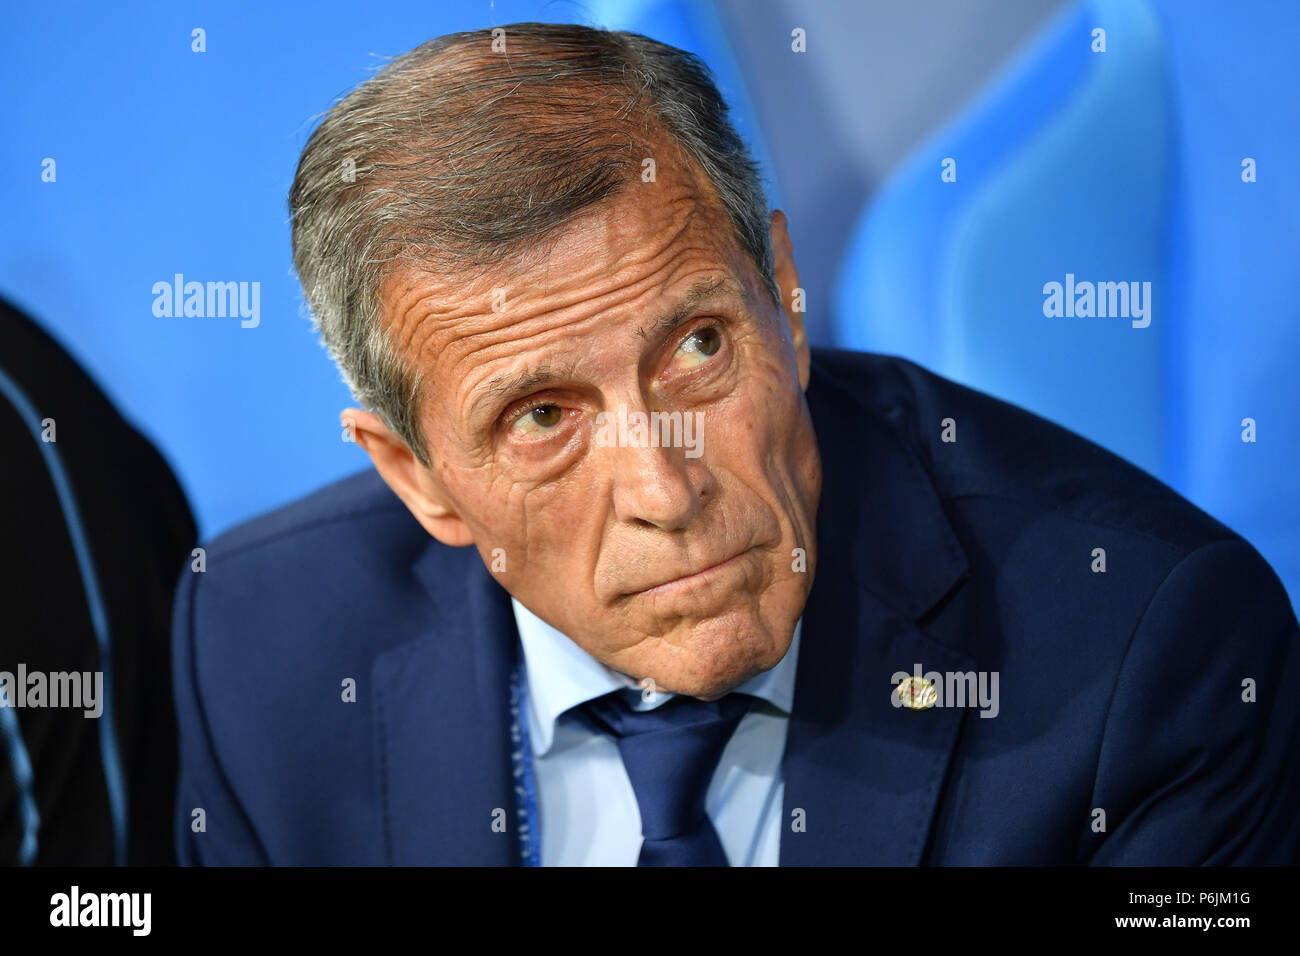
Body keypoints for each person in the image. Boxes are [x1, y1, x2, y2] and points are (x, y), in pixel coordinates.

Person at [172, 22, 1300, 866]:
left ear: (787, 297)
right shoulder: (260, 647)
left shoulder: (1149, 653)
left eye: (699, 346)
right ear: (417, 476)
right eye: (543, 417)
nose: (664, 487)